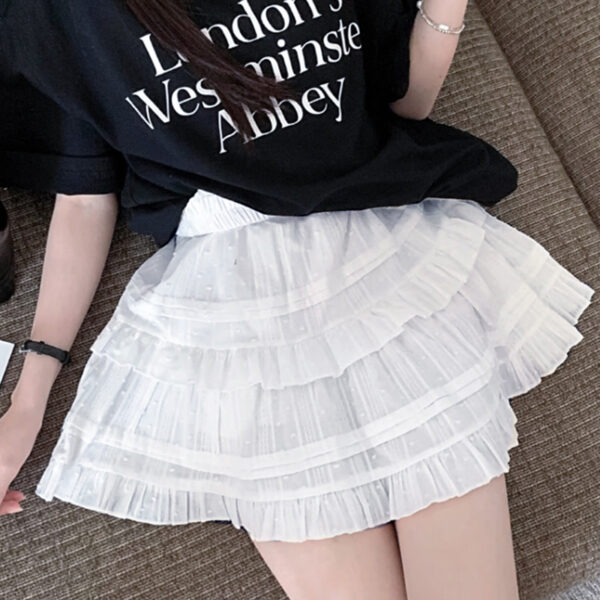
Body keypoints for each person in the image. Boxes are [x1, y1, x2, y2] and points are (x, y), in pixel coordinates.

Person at [0, 1, 595, 598]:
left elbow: (405, 102)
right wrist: (27, 403)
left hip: (381, 253)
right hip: (230, 299)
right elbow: (83, 199)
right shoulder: (58, 14)